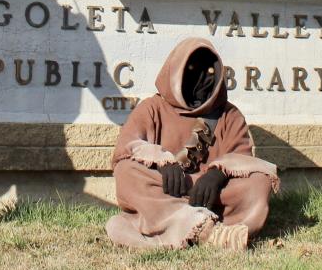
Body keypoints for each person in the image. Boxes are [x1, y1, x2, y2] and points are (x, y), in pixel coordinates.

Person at [106, 38, 278, 250]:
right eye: (192, 69)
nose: (202, 78)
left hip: (210, 197)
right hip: (165, 190)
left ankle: (185, 225)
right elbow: (129, 145)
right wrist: (163, 162)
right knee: (127, 171)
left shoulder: (228, 115)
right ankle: (207, 231)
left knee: (258, 181)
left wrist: (217, 175)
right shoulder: (152, 108)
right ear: (176, 72)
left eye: (209, 72)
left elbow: (242, 157)